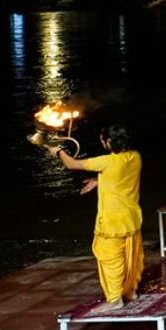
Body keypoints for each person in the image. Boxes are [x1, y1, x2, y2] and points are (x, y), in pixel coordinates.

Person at [53, 125, 143, 311]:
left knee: (111, 260)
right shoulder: (135, 157)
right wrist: (99, 180)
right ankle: (130, 292)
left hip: (112, 221)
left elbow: (72, 164)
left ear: (108, 142)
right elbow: (120, 176)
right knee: (130, 256)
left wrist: (58, 151)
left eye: (102, 140)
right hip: (132, 218)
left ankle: (115, 300)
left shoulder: (106, 161)